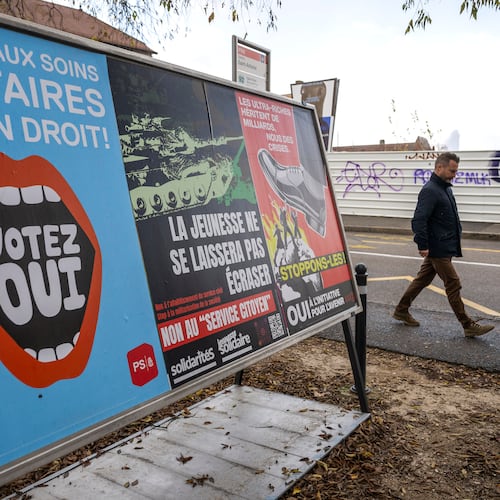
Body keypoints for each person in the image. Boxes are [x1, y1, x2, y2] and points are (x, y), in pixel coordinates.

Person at [393, 152, 495, 338]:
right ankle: (467, 325)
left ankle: (401, 310)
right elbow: (419, 219)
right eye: (452, 171)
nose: (454, 174)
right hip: (437, 247)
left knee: (422, 280)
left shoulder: (445, 188)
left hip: (444, 245)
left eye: (456, 171)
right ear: (439, 168)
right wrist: (422, 244)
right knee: (453, 283)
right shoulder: (430, 190)